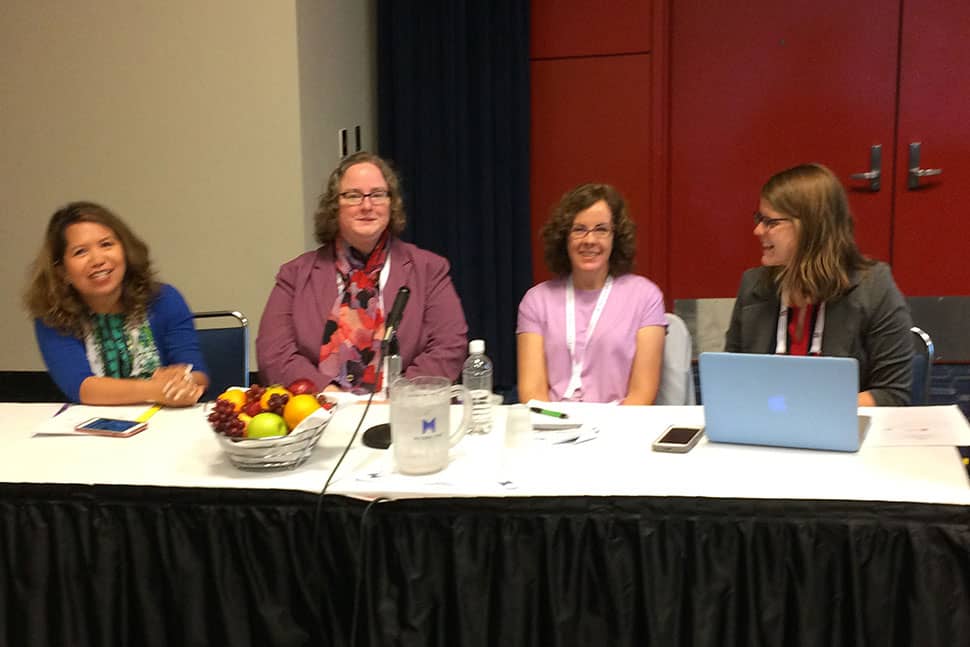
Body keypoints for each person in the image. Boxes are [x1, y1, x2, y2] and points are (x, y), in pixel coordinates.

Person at [256, 151, 468, 393]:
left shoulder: (429, 270)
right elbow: (274, 352)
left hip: (403, 412)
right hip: (319, 412)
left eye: (377, 195)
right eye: (354, 196)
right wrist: (326, 394)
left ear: (391, 204)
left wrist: (401, 395)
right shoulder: (295, 275)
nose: (367, 206)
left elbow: (449, 345)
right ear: (334, 206)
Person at [725, 163, 913, 406]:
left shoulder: (874, 288)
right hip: (765, 434)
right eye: (759, 219)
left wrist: (806, 408)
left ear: (811, 227)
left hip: (847, 436)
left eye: (770, 222)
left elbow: (893, 395)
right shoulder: (754, 286)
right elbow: (730, 379)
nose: (757, 230)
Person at [24, 202, 209, 405]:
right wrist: (157, 390)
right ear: (62, 271)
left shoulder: (164, 299)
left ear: (125, 251)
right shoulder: (52, 316)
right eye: (80, 252)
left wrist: (184, 382)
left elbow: (197, 373)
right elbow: (83, 388)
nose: (97, 260)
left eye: (106, 244)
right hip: (91, 429)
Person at [517, 183, 666, 404]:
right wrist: (556, 426)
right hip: (552, 427)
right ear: (564, 238)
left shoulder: (646, 297)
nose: (590, 240)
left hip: (619, 428)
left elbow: (641, 396)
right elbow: (532, 394)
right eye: (579, 229)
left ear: (616, 237)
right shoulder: (536, 301)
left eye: (601, 229)